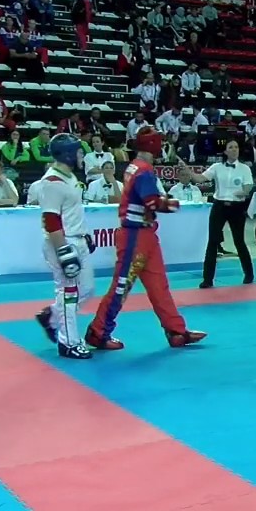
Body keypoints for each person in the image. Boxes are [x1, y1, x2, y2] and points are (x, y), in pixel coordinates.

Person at [85, 132, 207, 349]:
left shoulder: (134, 167)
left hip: (144, 234)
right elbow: (151, 202)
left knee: (158, 284)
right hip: (136, 236)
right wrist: (173, 204)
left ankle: (176, 331)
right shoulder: (144, 171)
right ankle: (98, 331)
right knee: (122, 286)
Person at [34, 133, 97, 359]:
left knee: (87, 289)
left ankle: (50, 316)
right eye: (79, 151)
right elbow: (51, 220)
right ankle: (68, 342)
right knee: (68, 291)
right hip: (63, 241)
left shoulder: (69, 177)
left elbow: (71, 211)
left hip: (76, 238)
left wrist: (85, 234)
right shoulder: (52, 182)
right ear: (69, 154)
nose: (82, 155)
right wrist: (64, 252)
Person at [192, 140, 255, 288]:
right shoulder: (217, 167)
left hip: (236, 207)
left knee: (239, 241)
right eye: (231, 147)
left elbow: (248, 186)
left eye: (236, 147)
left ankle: (249, 273)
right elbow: (200, 178)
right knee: (212, 242)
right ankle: (208, 279)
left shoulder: (244, 168)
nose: (234, 149)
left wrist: (243, 192)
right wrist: (189, 172)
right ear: (225, 152)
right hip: (219, 206)